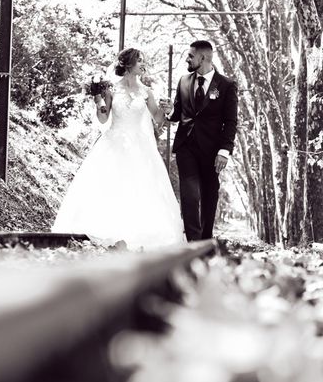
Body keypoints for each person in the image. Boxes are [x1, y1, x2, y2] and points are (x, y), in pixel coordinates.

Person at [52, 48, 185, 250]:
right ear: (128, 64)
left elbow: (158, 120)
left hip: (140, 146)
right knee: (110, 185)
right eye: (139, 60)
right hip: (114, 142)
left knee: (139, 188)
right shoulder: (111, 89)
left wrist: (167, 111)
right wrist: (98, 103)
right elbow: (103, 119)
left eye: (143, 60)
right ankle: (109, 233)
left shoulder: (147, 91)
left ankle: (137, 235)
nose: (143, 64)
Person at [166, 40, 238, 241]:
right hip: (185, 146)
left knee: (209, 194)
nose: (187, 59)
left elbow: (231, 121)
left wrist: (224, 151)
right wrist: (168, 111)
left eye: (190, 56)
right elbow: (177, 114)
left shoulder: (226, 85)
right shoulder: (183, 81)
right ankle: (193, 242)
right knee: (190, 195)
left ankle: (206, 240)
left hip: (212, 150)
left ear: (203, 57)